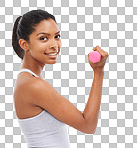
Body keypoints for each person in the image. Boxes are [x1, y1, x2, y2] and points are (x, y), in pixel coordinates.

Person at [12, 9, 109, 148]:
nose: (54, 45)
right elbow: (88, 125)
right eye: (43, 38)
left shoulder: (28, 79)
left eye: (56, 36)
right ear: (24, 44)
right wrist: (98, 72)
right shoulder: (33, 85)